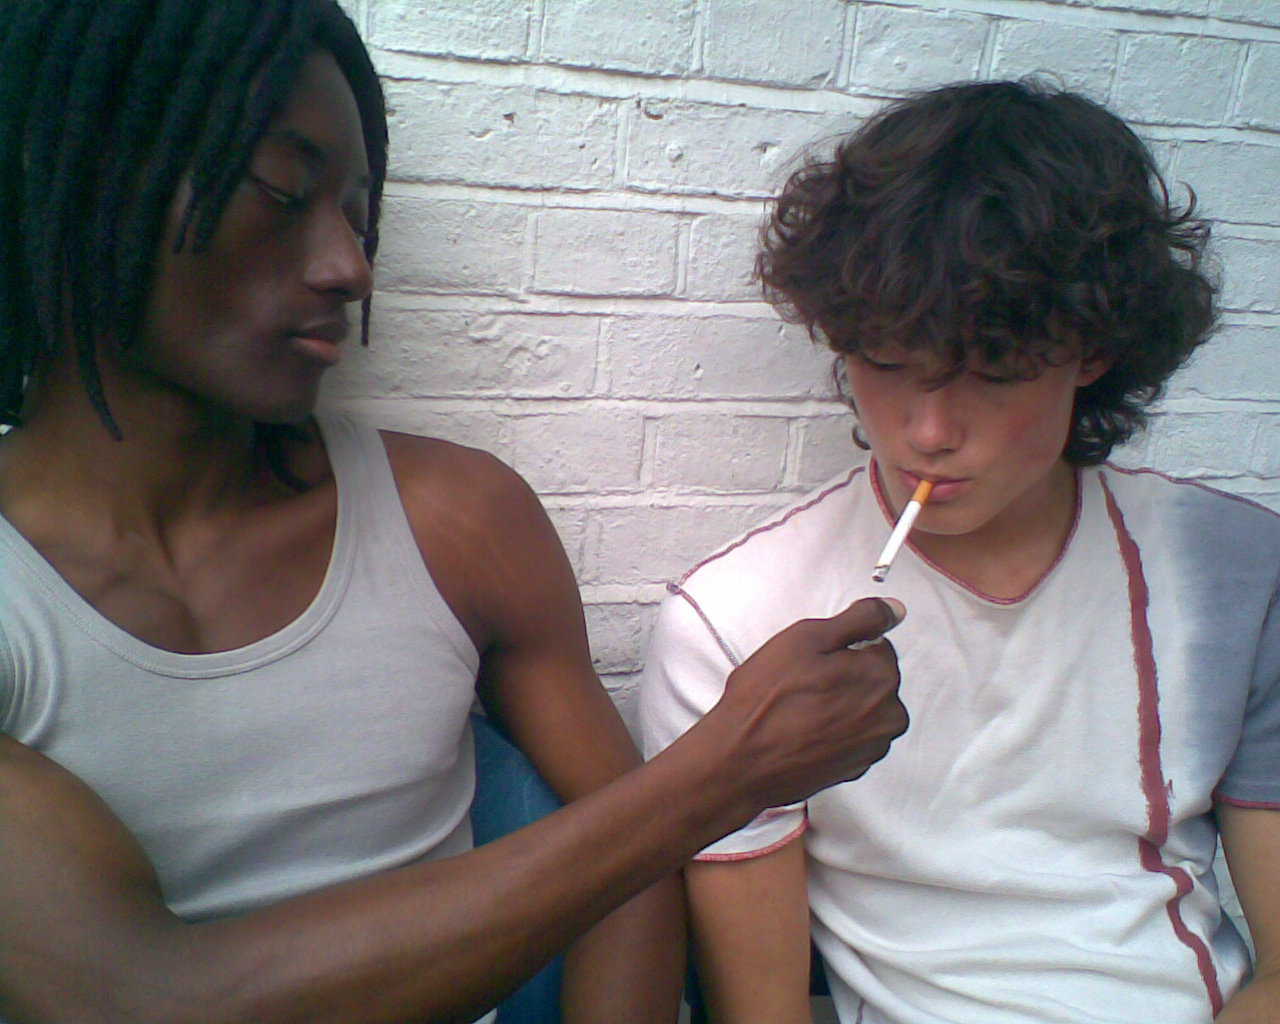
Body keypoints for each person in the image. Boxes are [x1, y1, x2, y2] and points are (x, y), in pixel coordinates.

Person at [0, 3, 912, 1023]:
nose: (349, 266)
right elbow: (133, 996)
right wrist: (722, 772)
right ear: (76, 177)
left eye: (359, 218)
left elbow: (628, 872)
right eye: (281, 193)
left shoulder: (456, 521)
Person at [639, 80, 1280, 1024]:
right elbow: (762, 1012)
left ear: (1093, 351)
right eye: (885, 361)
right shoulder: (737, 622)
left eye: (994, 371)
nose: (929, 432)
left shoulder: (1233, 573)